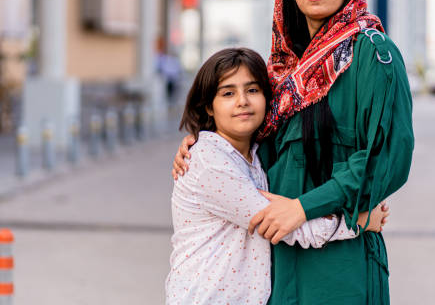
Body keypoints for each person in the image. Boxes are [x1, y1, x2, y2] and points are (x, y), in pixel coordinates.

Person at [172, 0, 414, 304]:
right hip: (275, 265)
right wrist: (199, 141)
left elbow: (387, 157)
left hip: (338, 266)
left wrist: (304, 208)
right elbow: (247, 135)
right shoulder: (282, 71)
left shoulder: (371, 53)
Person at [165, 47, 388, 304]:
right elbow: (285, 226)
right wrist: (358, 222)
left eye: (252, 90)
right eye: (228, 93)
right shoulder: (208, 160)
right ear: (209, 107)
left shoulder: (257, 154)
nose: (242, 101)